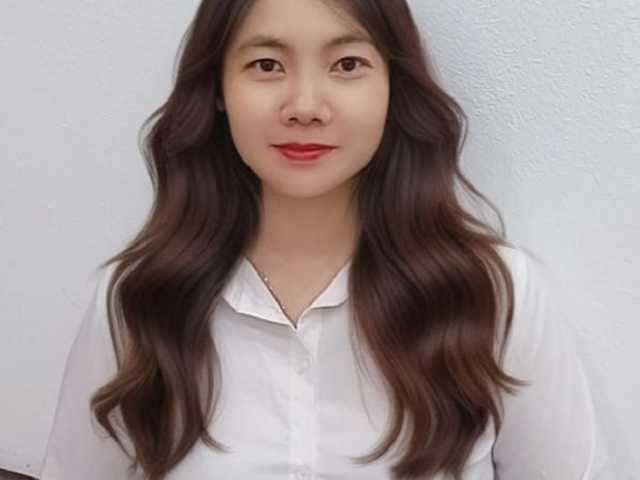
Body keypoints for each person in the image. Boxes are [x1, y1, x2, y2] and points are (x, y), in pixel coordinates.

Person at [39, 0, 609, 479]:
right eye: (266, 64)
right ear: (217, 90)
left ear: (393, 88)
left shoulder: (494, 293)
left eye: (347, 64)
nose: (306, 107)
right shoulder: (136, 297)